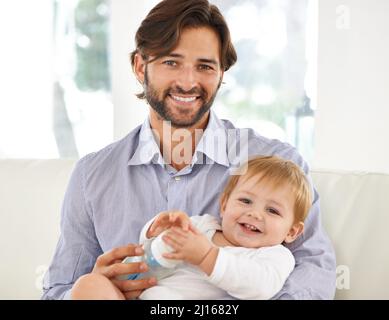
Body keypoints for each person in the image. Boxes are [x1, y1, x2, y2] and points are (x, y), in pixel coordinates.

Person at [42, 0, 336, 300]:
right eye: (171, 62)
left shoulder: (279, 165)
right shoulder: (91, 176)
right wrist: (96, 285)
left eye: (205, 66)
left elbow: (314, 270)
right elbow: (57, 288)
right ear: (140, 66)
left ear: (221, 74)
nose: (187, 82)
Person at [71, 155, 313, 300]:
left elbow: (260, 285)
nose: (254, 213)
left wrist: (207, 256)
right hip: (145, 293)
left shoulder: (275, 256)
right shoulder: (200, 225)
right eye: (245, 201)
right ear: (224, 205)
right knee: (89, 284)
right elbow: (155, 253)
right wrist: (155, 230)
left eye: (272, 211)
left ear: (292, 231)